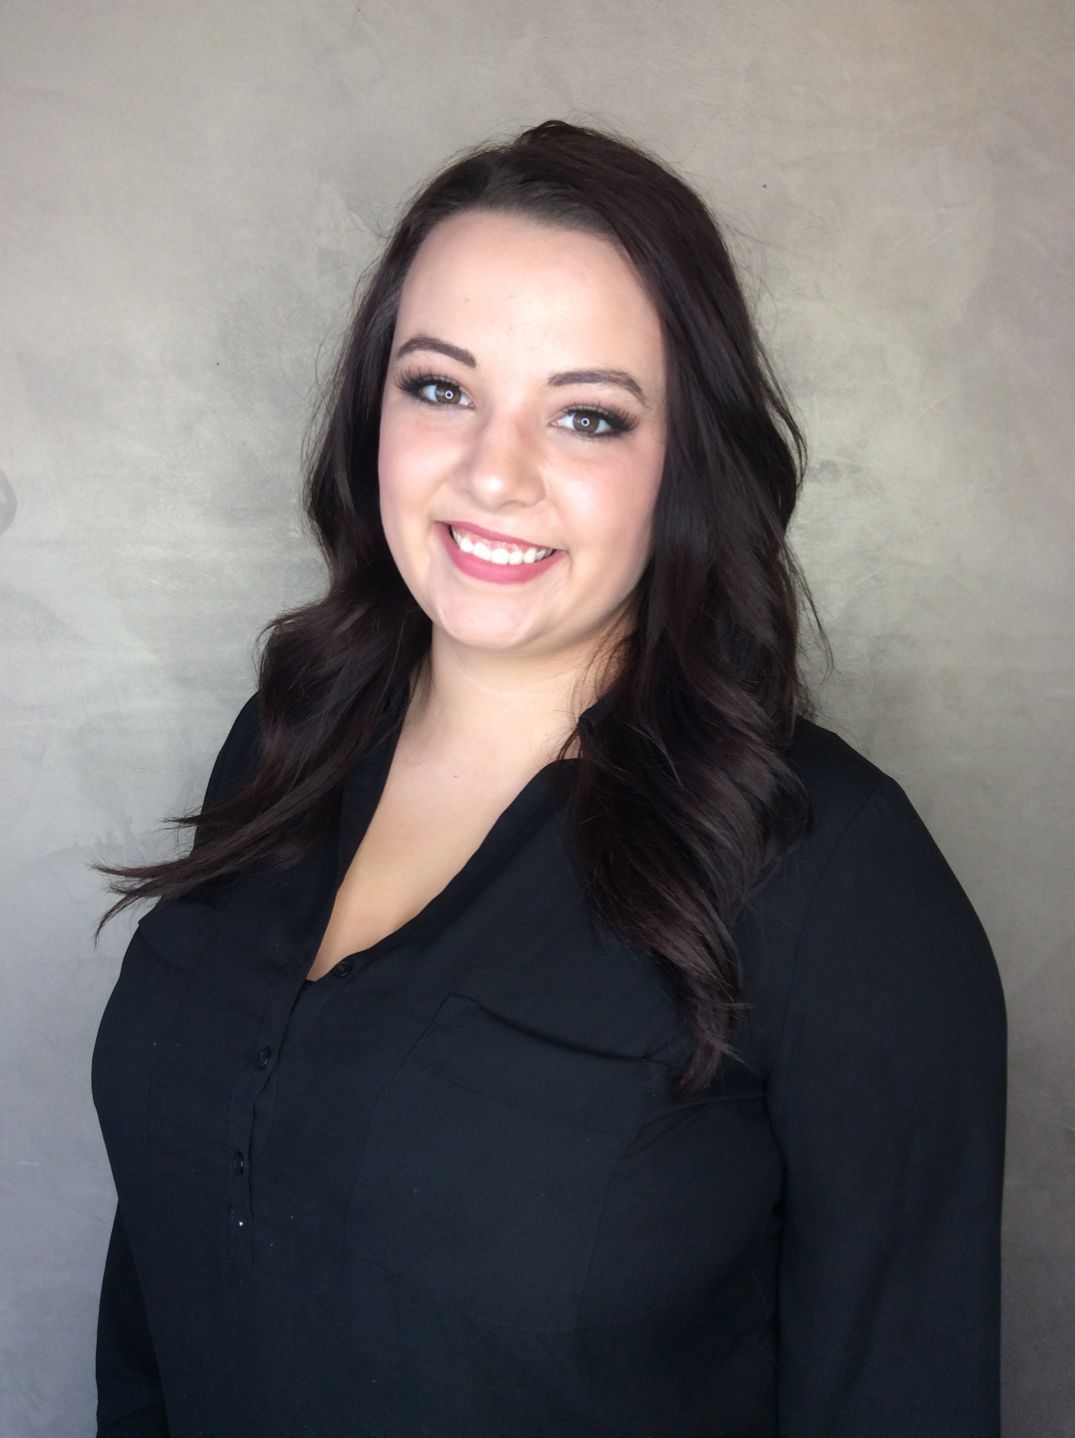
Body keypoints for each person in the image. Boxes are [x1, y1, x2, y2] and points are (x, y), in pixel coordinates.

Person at [91, 119, 1007, 1438]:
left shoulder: (838, 881)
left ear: (685, 455)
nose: (493, 473)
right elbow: (163, 1295)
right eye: (441, 387)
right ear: (373, 414)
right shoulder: (284, 744)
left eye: (586, 414)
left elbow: (901, 1392)